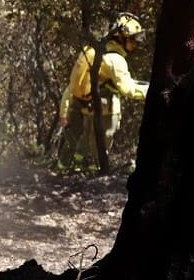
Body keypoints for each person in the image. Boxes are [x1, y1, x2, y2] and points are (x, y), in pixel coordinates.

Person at [57, 12, 150, 170]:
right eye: (133, 40)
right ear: (122, 38)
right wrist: (152, 90)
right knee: (97, 151)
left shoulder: (91, 50)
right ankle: (95, 171)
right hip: (103, 111)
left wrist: (63, 112)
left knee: (80, 144)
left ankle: (70, 168)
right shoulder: (116, 60)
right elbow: (128, 89)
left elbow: (71, 86)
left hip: (82, 108)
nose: (136, 45)